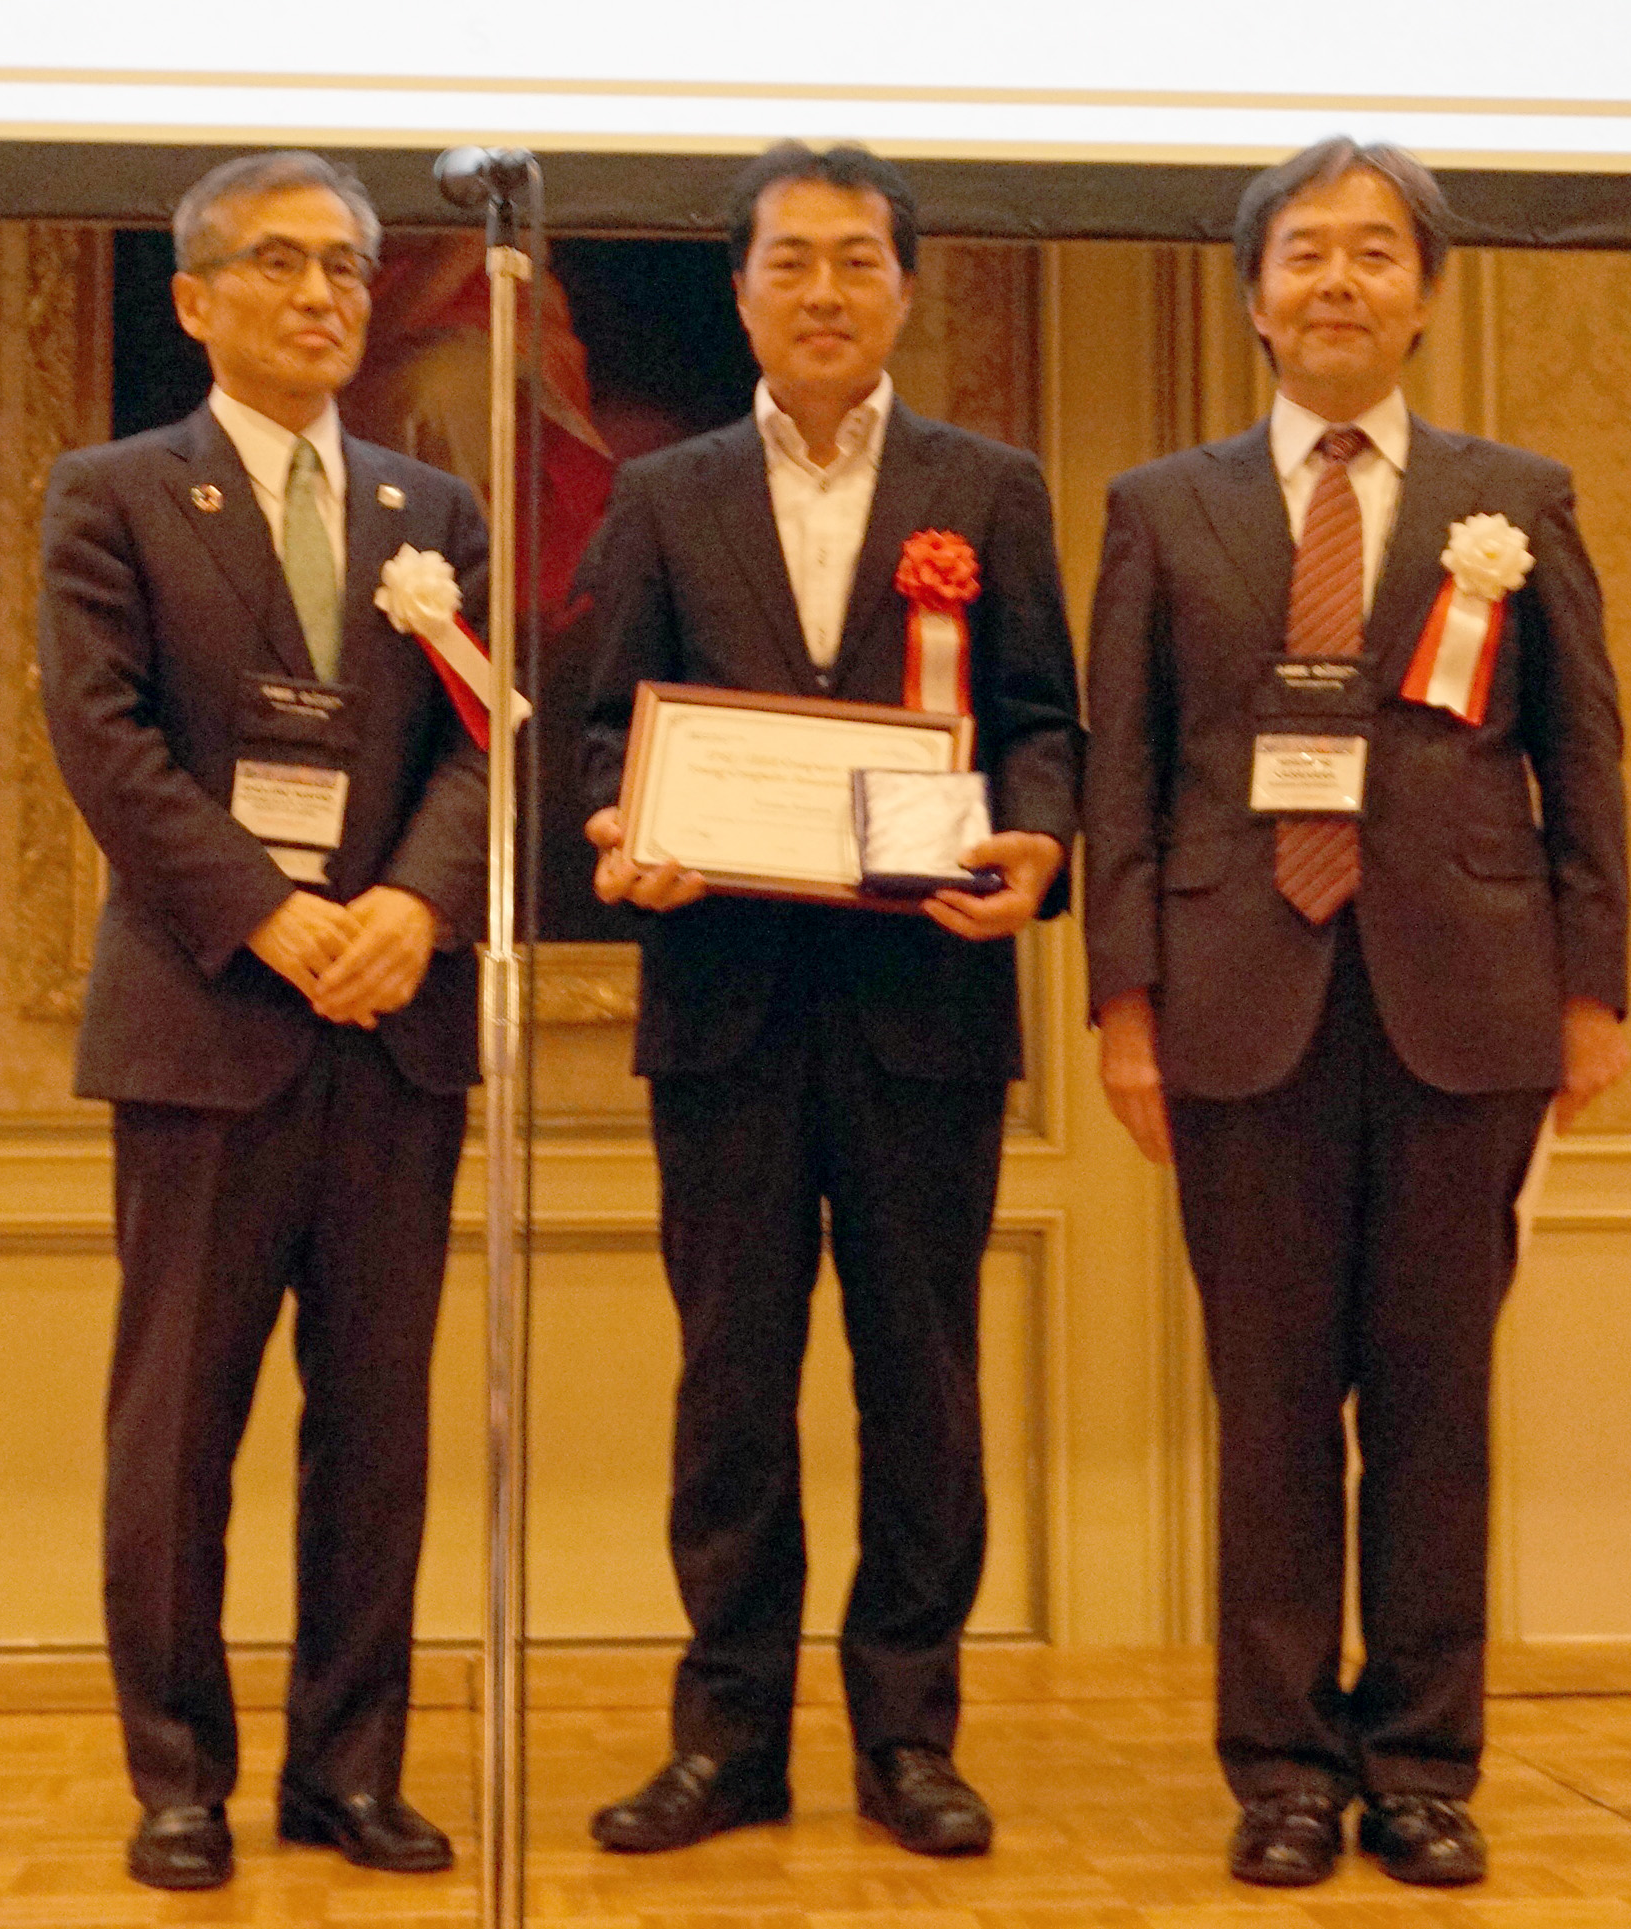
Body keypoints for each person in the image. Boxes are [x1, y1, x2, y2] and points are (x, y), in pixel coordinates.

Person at [1082, 137, 1629, 1890]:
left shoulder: (1513, 498)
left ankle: (1419, 1763)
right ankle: (1279, 1771)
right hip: (1238, 1003)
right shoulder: (1160, 509)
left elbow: (1583, 758)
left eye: (1375, 250)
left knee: (1432, 1407)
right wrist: (1122, 1003)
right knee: (1266, 1410)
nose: (1337, 278)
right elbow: (1122, 776)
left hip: (1467, 1006)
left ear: (1424, 295)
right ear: (1252, 297)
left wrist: (1592, 989)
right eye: (1304, 250)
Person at [581, 141, 1083, 1858]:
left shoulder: (986, 486)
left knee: (919, 1383)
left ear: (904, 291)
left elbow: (1041, 721)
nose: (821, 291)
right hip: (721, 1007)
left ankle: (909, 1735)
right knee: (729, 1387)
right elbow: (605, 729)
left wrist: (1038, 844)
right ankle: (725, 1738)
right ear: (739, 291)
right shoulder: (663, 492)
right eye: (787, 260)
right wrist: (622, 827)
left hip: (922, 1006)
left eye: (854, 261)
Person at [37, 150, 490, 1892]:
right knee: (178, 1428)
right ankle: (178, 1777)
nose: (322, 295)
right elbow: (105, 741)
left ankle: (347, 1770)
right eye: (281, 263)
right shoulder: (113, 494)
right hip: (208, 1018)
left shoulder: (430, 511)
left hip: (391, 1026)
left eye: (348, 268)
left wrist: (411, 908)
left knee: (374, 1430)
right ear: (195, 298)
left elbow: (482, 742)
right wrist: (271, 916)